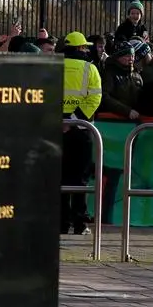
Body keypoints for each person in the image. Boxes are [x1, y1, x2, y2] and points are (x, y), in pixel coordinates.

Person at [60, 31, 102, 235]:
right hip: (82, 129)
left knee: (59, 177)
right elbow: (95, 98)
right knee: (80, 178)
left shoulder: (53, 65)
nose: (87, 49)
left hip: (56, 128)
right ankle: (79, 223)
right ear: (79, 48)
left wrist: (61, 119)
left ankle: (60, 223)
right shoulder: (90, 68)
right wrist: (75, 118)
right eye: (84, 47)